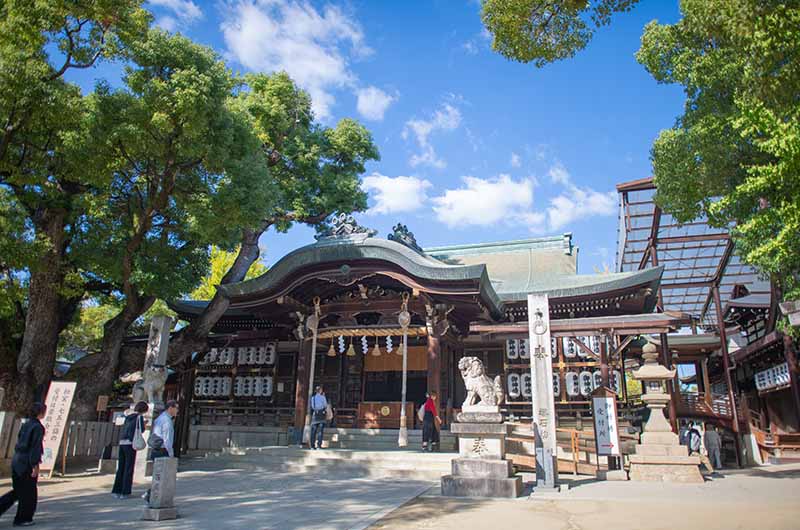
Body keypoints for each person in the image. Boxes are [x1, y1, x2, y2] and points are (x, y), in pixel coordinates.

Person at [0, 402, 46, 527]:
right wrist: (35, 465)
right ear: (41, 413)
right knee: (29, 493)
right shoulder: (38, 427)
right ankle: (23, 518)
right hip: (27, 462)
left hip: (17, 459)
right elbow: (35, 447)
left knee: (18, 491)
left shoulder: (26, 424)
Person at [143, 400, 178, 504]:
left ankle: (152, 495)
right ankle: (152, 495)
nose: (177, 410)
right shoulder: (167, 421)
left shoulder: (160, 418)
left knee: (158, 474)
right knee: (163, 475)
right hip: (163, 450)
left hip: (156, 449)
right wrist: (171, 454)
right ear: (170, 408)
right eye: (176, 408)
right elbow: (167, 439)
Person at [111, 401, 148, 499]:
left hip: (122, 442)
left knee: (121, 467)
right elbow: (141, 430)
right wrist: (144, 424)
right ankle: (125, 492)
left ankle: (116, 490)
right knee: (129, 468)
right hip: (130, 443)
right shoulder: (139, 417)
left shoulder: (128, 417)